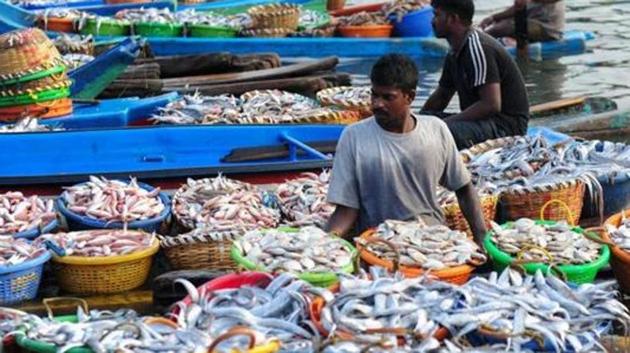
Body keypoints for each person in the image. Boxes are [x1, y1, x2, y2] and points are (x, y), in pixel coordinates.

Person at [325, 54, 487, 245]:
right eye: (374, 94)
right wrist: (328, 243)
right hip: (380, 242)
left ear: (409, 97)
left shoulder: (436, 129)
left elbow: (464, 189)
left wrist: (481, 238)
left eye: (388, 97)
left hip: (431, 238)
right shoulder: (353, 137)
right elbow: (346, 210)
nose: (377, 104)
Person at [422, 0, 530, 150]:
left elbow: (491, 105)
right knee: (426, 122)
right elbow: (442, 95)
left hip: (506, 127)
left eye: (437, 15)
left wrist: (444, 124)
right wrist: (418, 121)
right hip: (481, 122)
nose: (433, 21)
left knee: (443, 132)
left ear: (453, 18)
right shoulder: (454, 51)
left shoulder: (478, 47)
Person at [479, 0, 565, 43]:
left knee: (501, 28)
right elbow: (518, 8)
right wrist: (493, 18)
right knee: (499, 24)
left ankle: (478, 45)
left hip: (547, 29)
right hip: (533, 20)